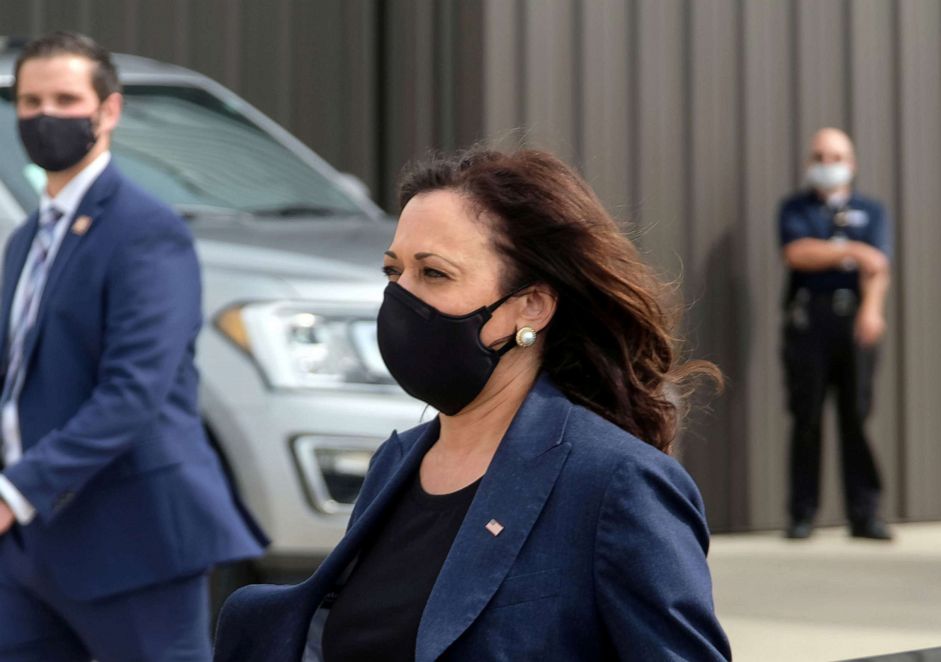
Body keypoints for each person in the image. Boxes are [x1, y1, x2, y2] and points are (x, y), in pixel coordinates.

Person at [215, 147, 732, 661]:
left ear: (529, 306)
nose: (400, 298)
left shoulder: (616, 482)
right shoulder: (394, 465)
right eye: (393, 272)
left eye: (434, 274)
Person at [0, 32, 267, 661]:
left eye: (65, 99)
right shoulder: (26, 239)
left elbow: (134, 390)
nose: (45, 116)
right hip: (30, 543)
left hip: (131, 535)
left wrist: (15, 491)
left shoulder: (147, 231)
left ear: (109, 110)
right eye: (30, 101)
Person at [778, 127, 893, 541]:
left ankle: (864, 514)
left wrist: (872, 309)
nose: (828, 165)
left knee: (856, 418)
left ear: (852, 163)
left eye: (836, 156)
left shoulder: (871, 211)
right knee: (806, 417)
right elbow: (797, 253)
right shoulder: (796, 208)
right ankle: (802, 513)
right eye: (820, 157)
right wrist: (851, 251)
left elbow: (878, 266)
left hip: (856, 320)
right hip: (810, 323)